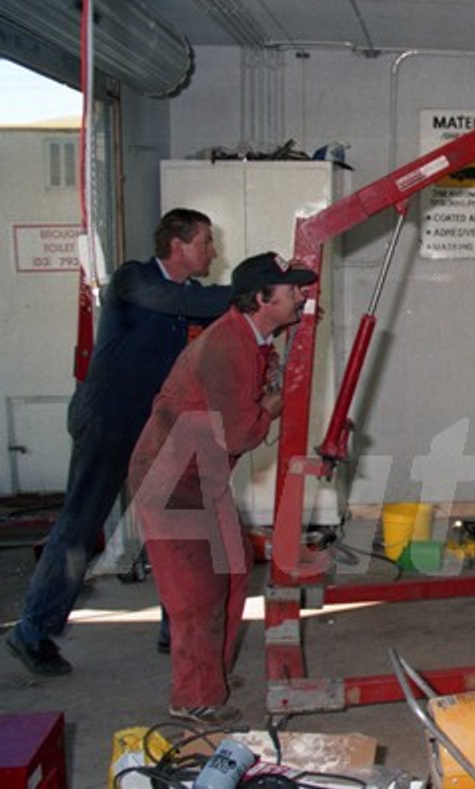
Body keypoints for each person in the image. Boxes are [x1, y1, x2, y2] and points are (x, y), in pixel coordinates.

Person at [6, 209, 232, 676]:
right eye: (206, 242)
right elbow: (187, 302)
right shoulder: (134, 280)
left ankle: (178, 629)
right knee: (81, 524)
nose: (212, 251)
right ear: (178, 244)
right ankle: (30, 631)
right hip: (107, 417)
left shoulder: (189, 296)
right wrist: (253, 288)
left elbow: (220, 321)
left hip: (154, 423)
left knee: (176, 522)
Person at [127, 252, 316, 725]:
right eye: (292, 289)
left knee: (232, 574)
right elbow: (239, 434)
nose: (301, 295)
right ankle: (193, 697)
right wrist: (272, 407)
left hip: (202, 473)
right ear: (260, 299)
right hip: (170, 479)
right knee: (198, 594)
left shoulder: (251, 337)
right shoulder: (227, 346)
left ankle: (211, 681)